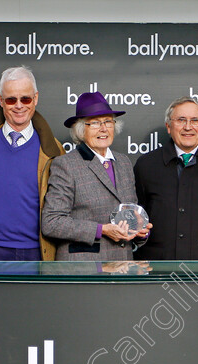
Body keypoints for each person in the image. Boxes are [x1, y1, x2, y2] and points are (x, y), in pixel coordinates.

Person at [0, 66, 65, 261]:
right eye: (11, 99)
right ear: (1, 101)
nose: (19, 105)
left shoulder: (54, 151)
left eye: (26, 99)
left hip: (35, 251)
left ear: (36, 98)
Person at [41, 91, 150, 260]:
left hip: (121, 265)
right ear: (80, 130)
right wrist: (102, 230)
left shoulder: (124, 163)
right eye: (95, 123)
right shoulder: (66, 165)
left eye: (108, 121)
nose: (104, 128)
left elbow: (129, 214)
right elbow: (52, 222)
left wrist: (139, 231)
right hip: (84, 267)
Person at [133, 97, 198, 260]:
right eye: (181, 120)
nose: (188, 127)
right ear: (168, 126)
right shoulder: (146, 165)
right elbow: (137, 216)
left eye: (195, 120)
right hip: (158, 268)